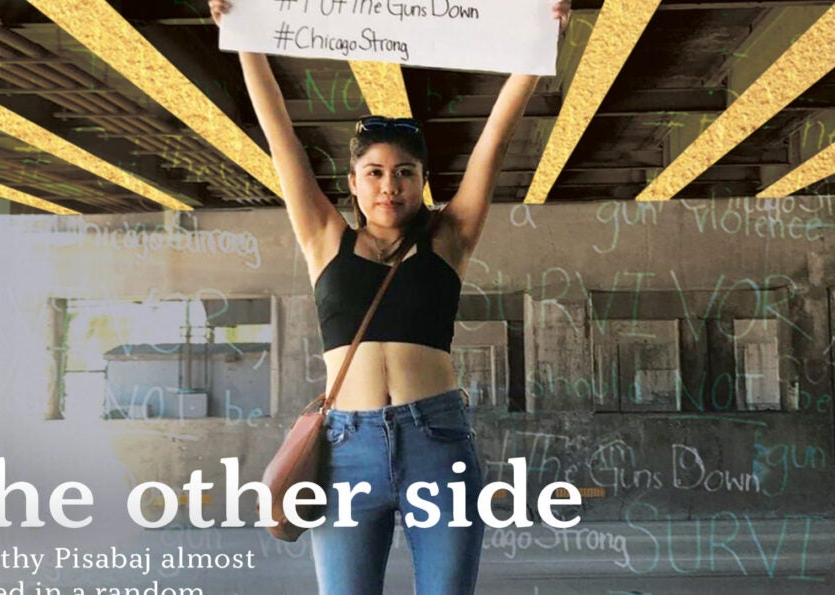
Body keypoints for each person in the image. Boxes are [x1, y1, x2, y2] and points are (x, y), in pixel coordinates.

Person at [209, 2, 571, 593]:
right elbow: (280, 137)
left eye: (404, 171)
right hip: (345, 452)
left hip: (437, 442)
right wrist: (242, 37)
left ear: (422, 181)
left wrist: (536, 48)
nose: (389, 184)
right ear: (352, 183)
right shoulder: (325, 239)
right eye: (373, 172)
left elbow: (495, 141)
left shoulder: (449, 239)